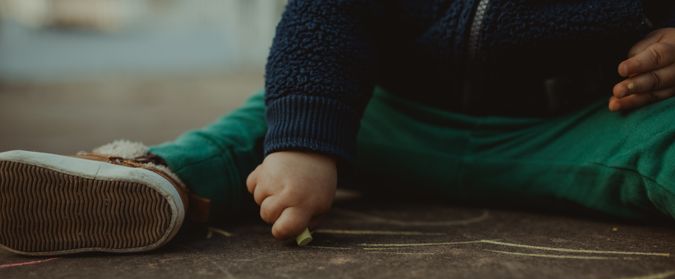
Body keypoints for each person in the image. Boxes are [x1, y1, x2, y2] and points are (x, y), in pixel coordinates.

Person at [1, 0, 675, 256]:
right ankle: (158, 179)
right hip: (386, 120)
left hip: (581, 125)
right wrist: (300, 145)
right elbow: (323, 18)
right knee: (266, 120)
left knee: (661, 129)